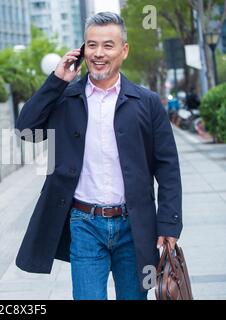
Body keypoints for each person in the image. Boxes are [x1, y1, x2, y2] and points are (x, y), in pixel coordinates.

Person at [14, 12, 182, 300]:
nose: (99, 53)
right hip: (84, 224)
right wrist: (56, 81)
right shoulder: (66, 98)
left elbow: (167, 168)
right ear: (82, 51)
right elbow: (26, 130)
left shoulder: (147, 103)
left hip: (135, 226)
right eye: (91, 45)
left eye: (108, 45)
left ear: (123, 50)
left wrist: (169, 222)